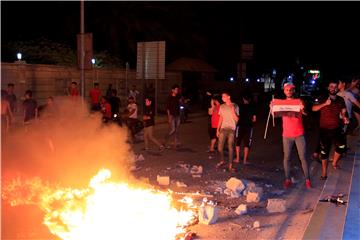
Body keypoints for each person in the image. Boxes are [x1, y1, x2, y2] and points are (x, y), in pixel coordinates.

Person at [270, 83, 311, 189]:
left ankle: (307, 179)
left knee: (303, 157)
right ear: (284, 91)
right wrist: (272, 108)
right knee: (287, 158)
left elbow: (306, 113)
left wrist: (303, 108)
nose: (288, 91)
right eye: (287, 89)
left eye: (290, 89)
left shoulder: (299, 102)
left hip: (299, 134)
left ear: (293, 90)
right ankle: (287, 179)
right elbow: (274, 115)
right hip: (287, 135)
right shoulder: (280, 103)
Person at [312, 80, 348, 180]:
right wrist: (324, 104)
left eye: (335, 87)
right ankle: (324, 173)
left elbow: (343, 111)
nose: (333, 88)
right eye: (331, 86)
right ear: (328, 88)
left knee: (342, 146)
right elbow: (313, 109)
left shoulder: (340, 99)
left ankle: (334, 163)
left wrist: (344, 117)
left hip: (336, 128)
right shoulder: (322, 98)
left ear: (337, 88)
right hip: (324, 129)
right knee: (324, 152)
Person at [216, 90, 239, 172]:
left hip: (232, 129)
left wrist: (233, 111)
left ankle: (230, 165)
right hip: (223, 128)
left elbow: (237, 119)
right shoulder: (222, 106)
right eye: (222, 97)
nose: (222, 98)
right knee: (219, 147)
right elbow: (221, 118)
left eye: (224, 96)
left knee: (230, 147)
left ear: (229, 97)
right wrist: (217, 129)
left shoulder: (235, 106)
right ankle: (222, 160)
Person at [235, 92, 256, 165]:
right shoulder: (253, 107)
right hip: (249, 127)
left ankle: (237, 159)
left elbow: (237, 116)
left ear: (243, 99)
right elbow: (254, 119)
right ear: (250, 99)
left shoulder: (239, 106)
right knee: (247, 143)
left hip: (240, 125)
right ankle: (244, 160)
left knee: (238, 142)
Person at [164, 84, 181, 148]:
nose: (177, 90)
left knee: (177, 130)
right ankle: (165, 140)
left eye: (177, 89)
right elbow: (168, 108)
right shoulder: (169, 98)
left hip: (178, 115)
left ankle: (175, 143)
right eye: (176, 89)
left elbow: (180, 102)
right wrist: (169, 117)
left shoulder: (178, 96)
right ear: (172, 90)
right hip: (172, 115)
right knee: (173, 129)